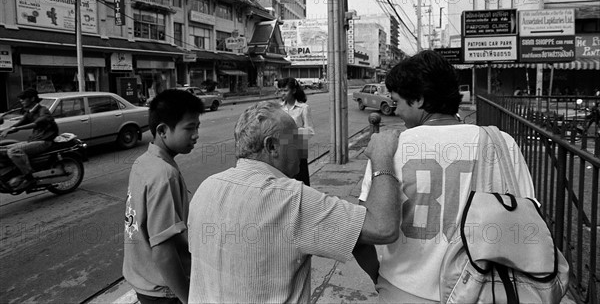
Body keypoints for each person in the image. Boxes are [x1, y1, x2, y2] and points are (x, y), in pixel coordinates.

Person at [358, 50, 537, 303]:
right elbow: (528, 216)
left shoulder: (389, 148)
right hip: (487, 292)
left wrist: (382, 279)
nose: (396, 111)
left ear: (419, 100)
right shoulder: (501, 143)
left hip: (405, 290)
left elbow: (361, 231)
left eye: (397, 102)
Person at [187, 101, 401, 303]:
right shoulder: (290, 199)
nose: (302, 148)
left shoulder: (206, 187)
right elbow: (383, 228)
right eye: (295, 140)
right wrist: (382, 158)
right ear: (271, 147)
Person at [123, 89, 204, 304]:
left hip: (143, 280)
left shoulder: (144, 162)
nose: (196, 135)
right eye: (189, 128)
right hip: (165, 291)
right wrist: (189, 299)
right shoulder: (164, 175)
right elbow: (163, 252)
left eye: (197, 127)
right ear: (163, 130)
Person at [0, 88, 58, 189]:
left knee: (13, 151)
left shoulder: (43, 110)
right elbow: (17, 125)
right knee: (2, 149)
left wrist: (17, 128)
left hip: (44, 141)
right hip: (33, 140)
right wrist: (6, 130)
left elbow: (37, 123)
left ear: (32, 98)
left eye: (23, 99)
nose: (21, 101)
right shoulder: (29, 112)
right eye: (20, 99)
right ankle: (13, 173)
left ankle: (29, 177)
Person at [278, 77, 314, 186]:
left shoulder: (303, 108)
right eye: (280, 90)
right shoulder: (279, 108)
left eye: (285, 90)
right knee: (285, 182)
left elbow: (310, 131)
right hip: (282, 149)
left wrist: (294, 132)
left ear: (293, 90)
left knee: (300, 181)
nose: (282, 93)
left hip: (298, 149)